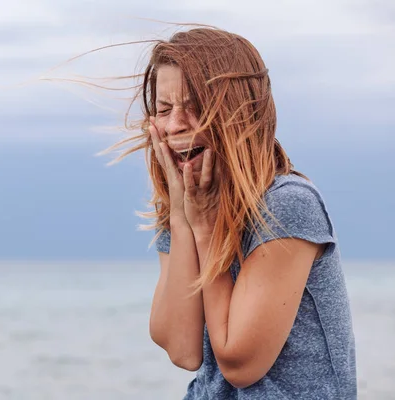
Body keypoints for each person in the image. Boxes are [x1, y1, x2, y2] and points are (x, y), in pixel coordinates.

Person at [112, 27, 357, 399]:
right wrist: (180, 220)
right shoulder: (186, 203)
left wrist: (206, 232)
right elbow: (182, 348)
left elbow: (240, 365)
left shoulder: (286, 204)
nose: (175, 123)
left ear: (238, 112)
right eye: (164, 110)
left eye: (194, 107)